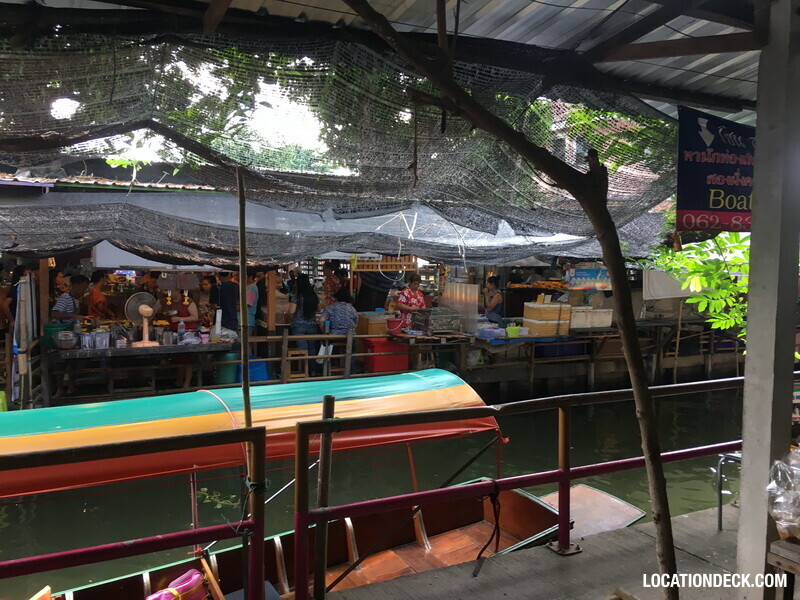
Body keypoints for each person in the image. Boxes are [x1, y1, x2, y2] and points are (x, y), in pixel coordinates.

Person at [289, 273, 320, 372]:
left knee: (303, 350)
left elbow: (291, 311)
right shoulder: (314, 296)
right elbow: (318, 309)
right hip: (312, 325)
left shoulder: (296, 296)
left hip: (299, 326)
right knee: (312, 350)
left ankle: (304, 372)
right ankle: (313, 371)